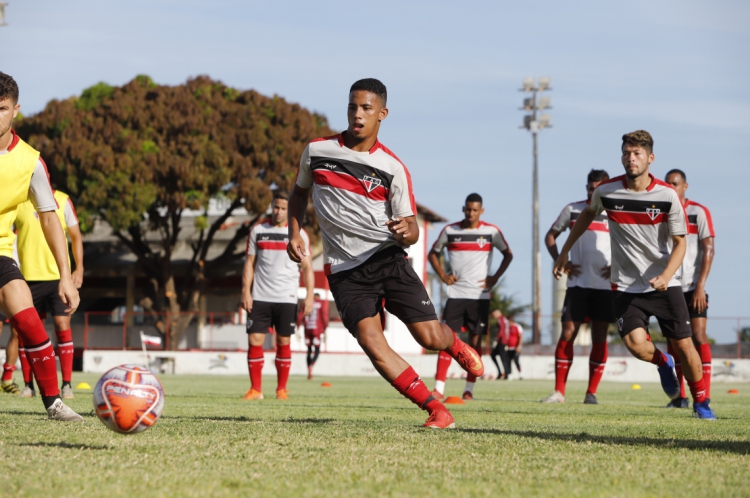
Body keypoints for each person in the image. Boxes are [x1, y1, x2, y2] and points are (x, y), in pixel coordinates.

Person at [287, 78, 484, 429]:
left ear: (382, 114)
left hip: (387, 260)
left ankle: (452, 342)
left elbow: (408, 225)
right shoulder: (317, 151)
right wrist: (294, 229)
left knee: (429, 337)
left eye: (366, 108)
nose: (357, 115)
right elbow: (299, 192)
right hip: (345, 270)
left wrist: (408, 233)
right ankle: (436, 409)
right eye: (352, 106)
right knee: (371, 340)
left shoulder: (393, 168)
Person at [553, 130, 716, 419]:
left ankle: (701, 402)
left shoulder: (667, 195)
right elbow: (588, 215)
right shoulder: (607, 191)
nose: (632, 158)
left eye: (638, 153)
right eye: (627, 153)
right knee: (635, 344)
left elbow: (680, 243)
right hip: (626, 286)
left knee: (684, 344)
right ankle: (663, 363)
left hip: (665, 285)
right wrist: (565, 250)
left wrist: (667, 275)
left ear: (650, 158)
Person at [0, 72, 82, 420]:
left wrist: (66, 276)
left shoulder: (31, 162)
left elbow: (50, 218)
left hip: (1, 253)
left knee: (30, 323)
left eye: (0, 108)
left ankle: (54, 404)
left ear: (15, 110)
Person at [429, 194, 513, 400]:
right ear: (463, 209)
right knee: (445, 339)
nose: (471, 213)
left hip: (479, 297)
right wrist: (442, 275)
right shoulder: (450, 231)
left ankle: (469, 389)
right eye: (468, 209)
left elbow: (508, 254)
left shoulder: (491, 232)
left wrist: (494, 278)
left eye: (475, 210)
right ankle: (439, 387)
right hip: (456, 295)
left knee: (475, 342)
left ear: (481, 211)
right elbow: (433, 253)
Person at [540, 169, 613, 405]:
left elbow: (630, 243)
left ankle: (591, 393)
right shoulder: (573, 210)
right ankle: (559, 392)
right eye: (591, 188)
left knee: (599, 336)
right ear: (587, 189)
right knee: (568, 333)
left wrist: (619, 267)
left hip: (605, 287)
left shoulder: (615, 213)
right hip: (577, 284)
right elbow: (550, 236)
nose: (594, 192)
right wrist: (560, 260)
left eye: (598, 188)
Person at [6, 184, 84, 399]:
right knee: (27, 331)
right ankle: (28, 385)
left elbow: (76, 236)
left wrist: (79, 268)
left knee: (62, 324)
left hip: (58, 277)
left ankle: (66, 384)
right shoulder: (19, 202)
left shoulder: (63, 200)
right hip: (27, 279)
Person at [241, 190, 315, 401]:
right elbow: (249, 264)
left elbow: (308, 268)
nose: (279, 211)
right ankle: (255, 390)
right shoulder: (257, 231)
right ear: (271, 207)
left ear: (289, 209)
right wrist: (246, 291)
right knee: (255, 339)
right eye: (276, 207)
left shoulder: (299, 235)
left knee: (283, 341)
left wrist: (309, 296)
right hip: (260, 296)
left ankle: (281, 389)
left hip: (287, 297)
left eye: (283, 208)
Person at [664, 169, 715, 408]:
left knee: (698, 336)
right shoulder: (661, 211)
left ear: (685, 186)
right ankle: (680, 397)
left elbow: (709, 249)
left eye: (675, 184)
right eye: (668, 184)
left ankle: (705, 394)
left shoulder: (698, 212)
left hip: (693, 287)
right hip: (669, 285)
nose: (671, 187)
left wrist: (700, 287)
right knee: (674, 341)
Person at [299, 292, 328, 379]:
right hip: (317, 329)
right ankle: (311, 366)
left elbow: (300, 315)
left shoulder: (306, 303)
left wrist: (297, 327)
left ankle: (308, 369)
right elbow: (324, 315)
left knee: (308, 350)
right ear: (318, 297)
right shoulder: (321, 303)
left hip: (307, 330)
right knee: (317, 350)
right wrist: (325, 329)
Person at [489, 309, 510, 379]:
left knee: (503, 358)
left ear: (498, 313)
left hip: (502, 342)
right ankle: (501, 373)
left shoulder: (501, 320)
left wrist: (496, 339)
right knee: (494, 355)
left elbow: (501, 331)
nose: (493, 316)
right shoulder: (504, 319)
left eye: (494, 314)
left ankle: (506, 374)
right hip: (502, 342)